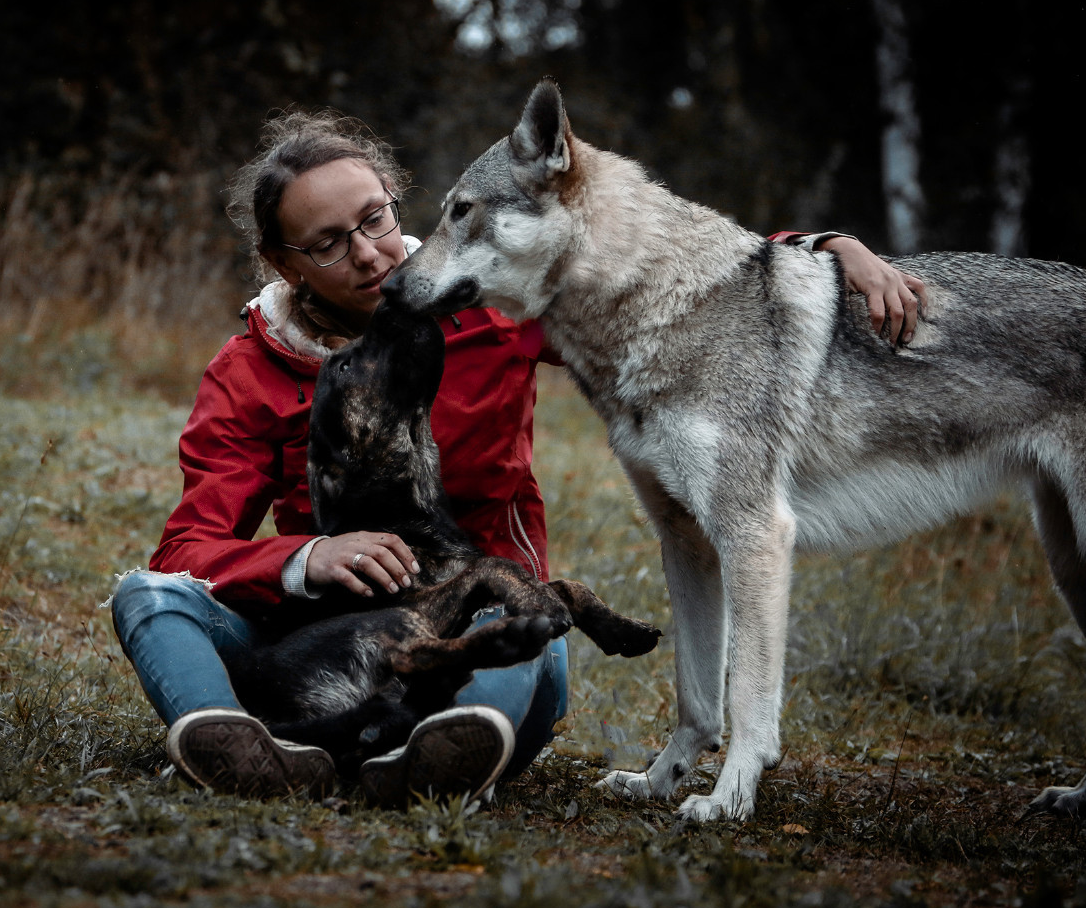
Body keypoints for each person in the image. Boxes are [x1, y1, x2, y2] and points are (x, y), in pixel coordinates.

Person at [108, 108, 926, 807]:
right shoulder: (248, 370)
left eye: (375, 218)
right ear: (285, 265)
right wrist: (307, 556)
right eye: (328, 244)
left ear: (397, 204)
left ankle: (434, 754)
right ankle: (243, 751)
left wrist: (817, 248)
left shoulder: (493, 300)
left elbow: (676, 281)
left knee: (526, 623)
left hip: (485, 628)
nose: (368, 254)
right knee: (149, 597)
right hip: (322, 642)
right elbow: (187, 553)